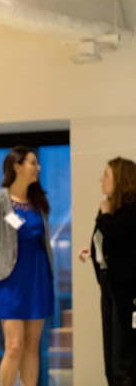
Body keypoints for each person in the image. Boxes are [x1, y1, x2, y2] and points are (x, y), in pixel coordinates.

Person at [0, 145, 54, 386]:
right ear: (17, 167)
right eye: (32, 163)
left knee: (31, 345)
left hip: (38, 277)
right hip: (9, 281)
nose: (37, 168)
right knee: (14, 346)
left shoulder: (38, 202)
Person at [78, 157, 136, 386]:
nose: (101, 179)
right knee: (112, 349)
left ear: (120, 180)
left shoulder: (129, 211)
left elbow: (112, 232)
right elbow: (114, 242)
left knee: (125, 349)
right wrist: (95, 253)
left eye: (106, 175)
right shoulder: (115, 211)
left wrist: (103, 213)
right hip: (110, 283)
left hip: (127, 288)